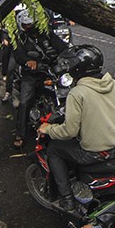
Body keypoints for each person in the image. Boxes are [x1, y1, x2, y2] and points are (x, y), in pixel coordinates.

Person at [37, 45, 115, 214]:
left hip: (96, 152)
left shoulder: (77, 93)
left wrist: (48, 129)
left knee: (54, 150)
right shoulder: (113, 84)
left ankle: (67, 200)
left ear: (78, 67)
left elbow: (69, 132)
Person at [12, 10, 68, 148]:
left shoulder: (47, 34)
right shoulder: (20, 38)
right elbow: (19, 55)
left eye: (32, 24)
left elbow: (63, 47)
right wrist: (29, 61)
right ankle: (20, 134)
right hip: (32, 74)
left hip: (51, 71)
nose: (30, 27)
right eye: (27, 25)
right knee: (25, 102)